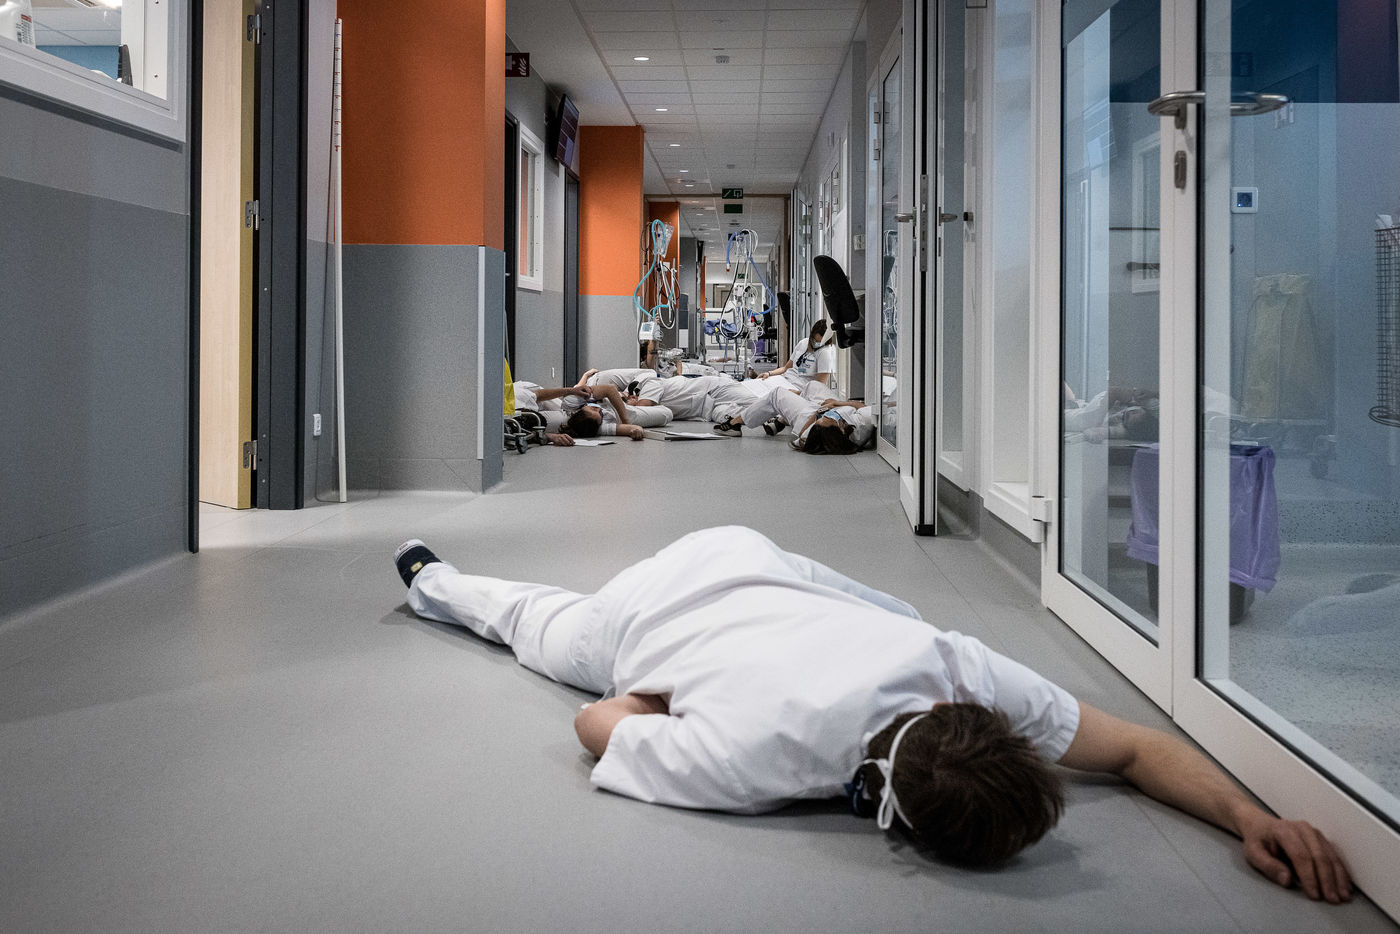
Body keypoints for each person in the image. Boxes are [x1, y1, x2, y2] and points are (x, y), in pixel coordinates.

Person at [392, 526, 1352, 902]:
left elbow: (1138, 750)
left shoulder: (957, 665)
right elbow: (594, 726)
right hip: (652, 608)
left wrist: (1251, 817)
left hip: (757, 557)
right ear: (890, 815)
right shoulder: (757, 763)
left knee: (893, 612)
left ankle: (435, 573)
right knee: (537, 625)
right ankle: (434, 581)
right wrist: (649, 698)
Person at [713, 382, 875, 454]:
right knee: (812, 386)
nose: (826, 417)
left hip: (810, 414)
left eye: (825, 419)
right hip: (833, 405)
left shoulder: (810, 435)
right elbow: (861, 406)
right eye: (827, 419)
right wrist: (837, 404)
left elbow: (803, 434)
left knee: (777, 394)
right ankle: (781, 419)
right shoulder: (861, 424)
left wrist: (818, 414)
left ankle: (735, 423)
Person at [627, 373, 754, 422]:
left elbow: (643, 408)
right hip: (707, 409)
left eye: (627, 401)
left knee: (755, 403)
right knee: (733, 418)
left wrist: (630, 407)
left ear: (634, 396)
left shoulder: (649, 383)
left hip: (715, 389)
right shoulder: (656, 405)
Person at [757, 319, 837, 389]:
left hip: (799, 388)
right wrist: (769, 373)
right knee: (757, 384)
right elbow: (785, 368)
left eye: (819, 342)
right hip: (785, 380)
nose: (815, 343)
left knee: (767, 395)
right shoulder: (803, 343)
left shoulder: (825, 353)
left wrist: (797, 393)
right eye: (814, 340)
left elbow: (820, 386)